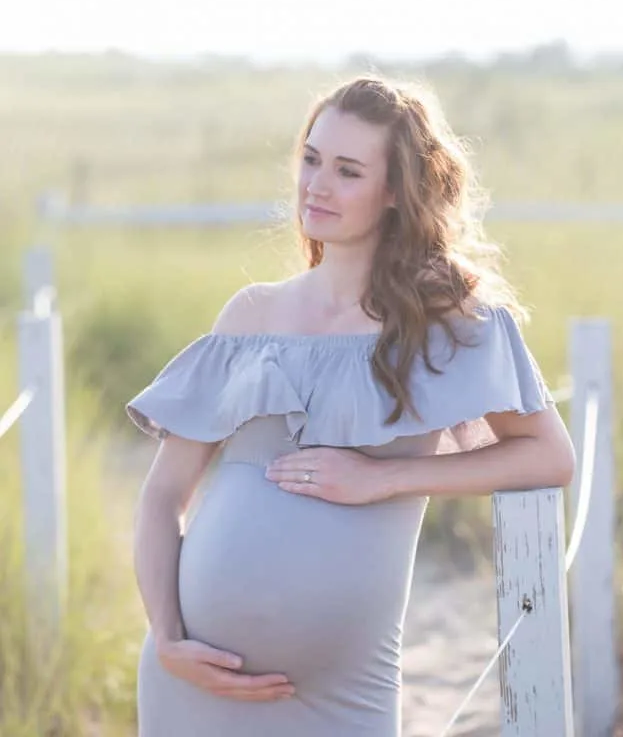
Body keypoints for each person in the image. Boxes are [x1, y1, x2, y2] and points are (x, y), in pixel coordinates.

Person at [125, 74, 576, 737]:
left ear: (394, 190)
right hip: (193, 683)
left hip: (342, 695)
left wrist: (382, 477)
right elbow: (162, 496)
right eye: (310, 159)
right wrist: (166, 636)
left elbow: (550, 456)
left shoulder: (444, 321)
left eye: (346, 170)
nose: (316, 185)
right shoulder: (250, 315)